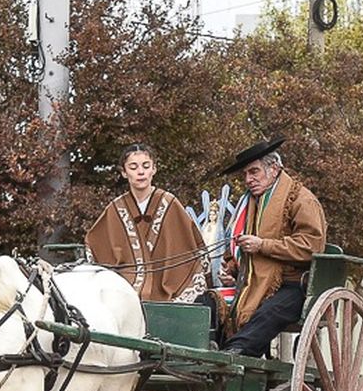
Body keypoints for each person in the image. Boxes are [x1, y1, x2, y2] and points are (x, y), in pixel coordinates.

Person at [219, 138, 328, 357]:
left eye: (254, 172)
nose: (248, 180)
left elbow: (312, 247)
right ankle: (201, 354)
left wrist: (263, 246)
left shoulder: (301, 200)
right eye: (245, 174)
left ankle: (232, 354)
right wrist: (232, 270)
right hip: (251, 281)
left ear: (274, 169)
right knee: (210, 302)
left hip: (293, 285)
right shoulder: (248, 204)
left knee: (269, 312)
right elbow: (237, 247)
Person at [85, 143, 209, 303]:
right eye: (133, 167)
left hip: (167, 286)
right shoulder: (115, 208)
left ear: (154, 169)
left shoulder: (170, 203)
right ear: (124, 172)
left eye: (145, 166)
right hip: (127, 288)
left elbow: (190, 245)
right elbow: (96, 243)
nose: (140, 172)